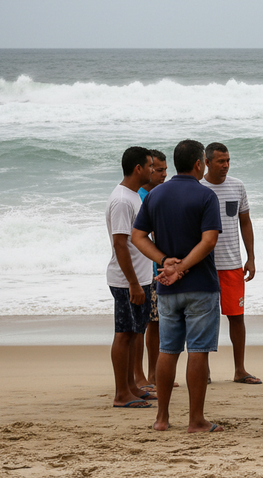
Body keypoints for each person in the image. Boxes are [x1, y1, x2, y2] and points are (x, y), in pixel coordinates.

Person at [131, 139, 225, 433]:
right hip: (200, 285)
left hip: (167, 286)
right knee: (198, 350)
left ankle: (161, 418)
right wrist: (182, 267)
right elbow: (209, 240)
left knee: (168, 350)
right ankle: (196, 420)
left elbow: (137, 236)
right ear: (199, 164)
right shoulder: (206, 196)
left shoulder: (156, 195)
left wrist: (164, 261)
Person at [200, 143, 261, 385]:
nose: (225, 165)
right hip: (204, 266)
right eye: (220, 161)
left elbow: (245, 222)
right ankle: (202, 371)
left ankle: (240, 370)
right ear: (206, 162)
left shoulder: (237, 186)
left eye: (228, 161)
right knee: (203, 320)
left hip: (233, 264)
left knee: (237, 317)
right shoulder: (198, 188)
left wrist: (251, 257)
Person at [106, 146, 154, 409]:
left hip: (140, 277)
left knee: (136, 332)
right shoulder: (123, 200)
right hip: (126, 280)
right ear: (138, 169)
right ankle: (121, 393)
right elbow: (120, 244)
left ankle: (132, 386)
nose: (152, 170)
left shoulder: (134, 196)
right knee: (124, 334)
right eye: (149, 166)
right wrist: (134, 283)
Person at [134, 149, 167, 391]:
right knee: (145, 324)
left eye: (166, 170)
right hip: (147, 268)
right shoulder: (142, 197)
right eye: (158, 170)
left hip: (158, 267)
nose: (164, 175)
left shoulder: (159, 194)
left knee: (156, 322)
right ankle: (142, 375)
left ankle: (154, 373)